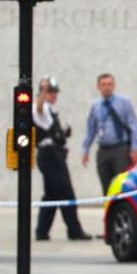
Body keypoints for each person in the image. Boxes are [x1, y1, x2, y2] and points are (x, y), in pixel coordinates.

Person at [33, 76, 92, 241]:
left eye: (54, 92)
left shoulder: (50, 110)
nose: (53, 95)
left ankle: (42, 231)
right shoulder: (41, 107)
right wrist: (42, 92)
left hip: (53, 155)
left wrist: (63, 133)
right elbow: (37, 109)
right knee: (67, 193)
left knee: (51, 195)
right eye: (50, 92)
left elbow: (52, 132)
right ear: (43, 93)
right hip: (50, 156)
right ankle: (74, 231)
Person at [82, 73, 137, 194]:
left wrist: (134, 148)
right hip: (103, 150)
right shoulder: (96, 106)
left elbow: (134, 125)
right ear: (98, 87)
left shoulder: (124, 102)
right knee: (106, 186)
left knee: (122, 184)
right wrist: (86, 149)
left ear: (114, 86)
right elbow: (91, 129)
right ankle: (109, 210)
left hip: (120, 149)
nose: (107, 87)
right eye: (103, 85)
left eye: (109, 84)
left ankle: (123, 211)